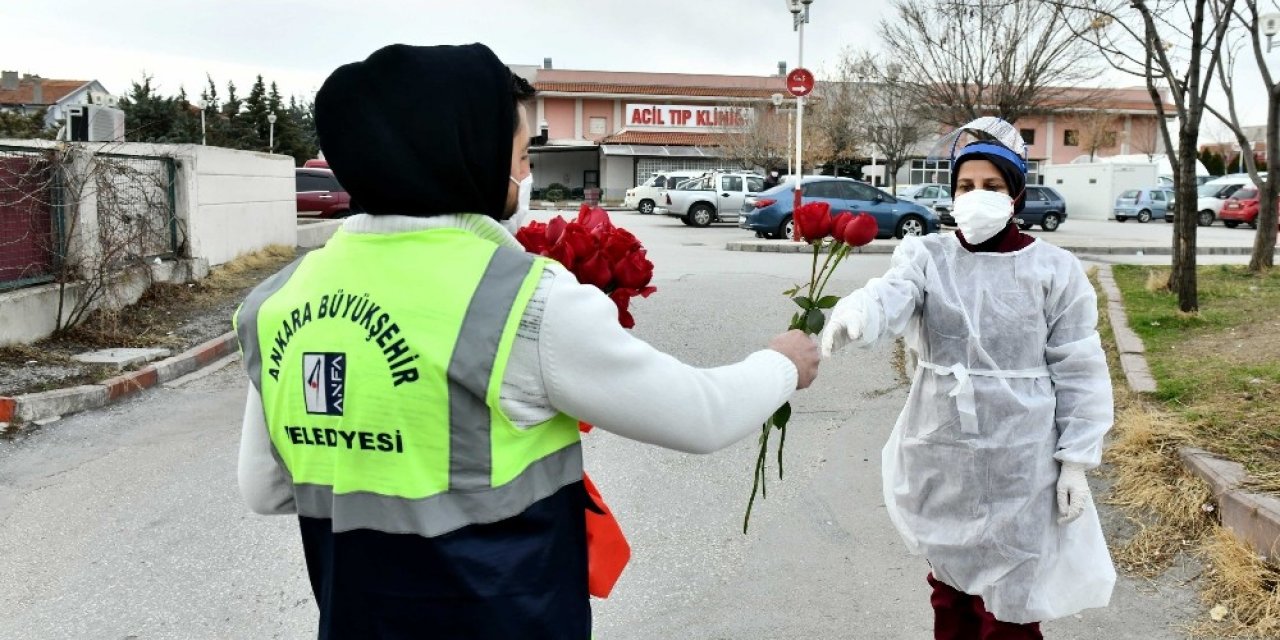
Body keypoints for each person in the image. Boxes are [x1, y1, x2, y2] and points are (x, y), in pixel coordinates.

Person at [233, 43, 819, 639]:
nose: (524, 175)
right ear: (466, 156)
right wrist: (783, 364)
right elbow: (701, 415)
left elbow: (264, 490)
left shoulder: (274, 302)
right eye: (518, 155)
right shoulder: (522, 297)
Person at [820, 118, 1115, 639]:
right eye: (965, 186)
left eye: (992, 187)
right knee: (950, 588)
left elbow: (1078, 365)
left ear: (1016, 194)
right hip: (942, 449)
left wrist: (1075, 461)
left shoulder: (1054, 270)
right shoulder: (928, 256)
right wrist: (860, 311)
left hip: (1021, 456)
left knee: (1012, 601)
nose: (977, 196)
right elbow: (894, 291)